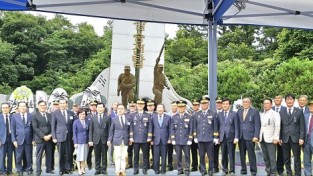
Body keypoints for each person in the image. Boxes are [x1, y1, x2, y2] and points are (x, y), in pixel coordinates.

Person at [279, 94, 305, 176]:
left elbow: (302, 126)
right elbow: (280, 126)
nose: (289, 101)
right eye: (288, 99)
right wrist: (280, 137)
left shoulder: (299, 111)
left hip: (296, 138)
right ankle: (289, 172)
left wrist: (301, 138)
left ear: (294, 101)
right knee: (286, 158)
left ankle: (297, 173)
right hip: (285, 138)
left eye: (291, 99)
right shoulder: (281, 112)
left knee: (297, 158)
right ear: (285, 101)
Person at [193, 97, 218, 176]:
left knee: (211, 156)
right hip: (200, 139)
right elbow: (195, 127)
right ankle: (203, 170)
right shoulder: (197, 114)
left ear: (208, 104)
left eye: (205, 103)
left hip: (209, 139)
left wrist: (215, 137)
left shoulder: (213, 113)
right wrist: (195, 137)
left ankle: (210, 170)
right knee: (201, 156)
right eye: (203, 103)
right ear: (200, 104)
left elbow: (215, 127)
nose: (204, 105)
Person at [237, 97, 260, 176]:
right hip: (241, 137)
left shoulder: (255, 111)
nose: (245, 103)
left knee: (251, 154)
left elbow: (257, 125)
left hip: (250, 137)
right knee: (242, 154)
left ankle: (253, 170)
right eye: (243, 102)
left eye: (247, 102)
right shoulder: (239, 111)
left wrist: (256, 136)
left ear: (250, 103)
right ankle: (243, 170)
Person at [51, 99, 75, 175]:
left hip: (69, 136)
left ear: (66, 104)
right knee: (61, 153)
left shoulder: (71, 113)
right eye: (61, 103)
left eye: (64, 103)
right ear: (59, 104)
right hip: (59, 136)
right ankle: (61, 169)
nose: (62, 105)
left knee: (69, 153)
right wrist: (54, 137)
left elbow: (74, 125)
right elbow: (53, 126)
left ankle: (68, 168)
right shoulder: (55, 113)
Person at [129, 98, 153, 175]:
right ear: (136, 105)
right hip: (135, 138)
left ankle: (145, 169)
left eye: (141, 104)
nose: (139, 106)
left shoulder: (148, 115)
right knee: (135, 155)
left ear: (144, 105)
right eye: (138, 104)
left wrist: (149, 137)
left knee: (145, 155)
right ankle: (136, 169)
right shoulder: (132, 115)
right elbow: (131, 127)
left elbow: (150, 127)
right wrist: (131, 137)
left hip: (145, 138)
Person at [171, 100, 193, 176]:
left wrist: (190, 139)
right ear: (177, 107)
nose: (181, 108)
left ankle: (187, 169)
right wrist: (173, 139)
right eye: (179, 107)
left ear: (185, 107)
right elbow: (172, 129)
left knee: (187, 156)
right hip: (177, 140)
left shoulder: (189, 116)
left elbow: (191, 129)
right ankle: (180, 169)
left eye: (182, 107)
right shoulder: (174, 117)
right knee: (178, 156)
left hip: (186, 140)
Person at [11, 101, 34, 176]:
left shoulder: (31, 116)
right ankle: (19, 169)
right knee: (18, 156)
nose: (22, 107)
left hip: (29, 139)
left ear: (26, 107)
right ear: (18, 107)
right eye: (21, 106)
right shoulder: (14, 116)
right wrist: (14, 140)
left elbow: (33, 129)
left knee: (28, 156)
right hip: (18, 139)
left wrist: (33, 139)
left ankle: (29, 169)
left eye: (24, 106)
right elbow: (12, 129)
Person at [108, 104, 131, 176]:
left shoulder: (128, 118)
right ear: (117, 110)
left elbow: (130, 129)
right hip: (117, 139)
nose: (120, 110)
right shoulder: (114, 119)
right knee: (117, 156)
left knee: (123, 156)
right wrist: (109, 139)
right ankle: (118, 170)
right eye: (119, 109)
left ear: (124, 110)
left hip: (126, 139)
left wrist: (130, 138)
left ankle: (123, 170)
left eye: (122, 108)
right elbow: (111, 130)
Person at [217, 98, 239, 175]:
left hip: (231, 137)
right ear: (222, 105)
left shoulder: (234, 114)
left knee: (231, 154)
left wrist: (236, 137)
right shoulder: (219, 114)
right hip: (222, 138)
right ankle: (225, 169)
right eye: (223, 104)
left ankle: (232, 170)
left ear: (229, 105)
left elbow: (236, 126)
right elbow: (217, 127)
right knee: (223, 154)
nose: (225, 105)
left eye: (226, 104)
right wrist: (217, 138)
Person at [259, 98, 281, 176]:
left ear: (271, 105)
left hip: (271, 139)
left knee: (272, 157)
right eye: (264, 103)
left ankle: (273, 172)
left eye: (268, 103)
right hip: (262, 138)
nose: (266, 105)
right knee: (265, 157)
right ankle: (268, 171)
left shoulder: (275, 114)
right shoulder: (261, 114)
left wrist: (276, 138)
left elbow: (277, 126)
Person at [32, 100, 54, 176]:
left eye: (44, 105)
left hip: (49, 138)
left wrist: (50, 135)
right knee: (39, 156)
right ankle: (38, 171)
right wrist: (43, 136)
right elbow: (35, 128)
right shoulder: (34, 116)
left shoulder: (50, 115)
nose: (43, 106)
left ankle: (49, 169)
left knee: (49, 154)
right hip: (40, 139)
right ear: (38, 106)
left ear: (46, 106)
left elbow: (53, 126)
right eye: (41, 105)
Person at [89, 103, 110, 175]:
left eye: (101, 107)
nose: (100, 109)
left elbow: (109, 129)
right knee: (97, 155)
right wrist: (90, 140)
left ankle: (104, 170)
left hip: (104, 140)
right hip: (95, 140)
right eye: (99, 107)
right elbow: (91, 130)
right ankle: (97, 169)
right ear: (96, 108)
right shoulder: (93, 117)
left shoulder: (107, 117)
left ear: (104, 108)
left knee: (104, 156)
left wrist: (109, 140)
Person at [151, 104, 171, 174]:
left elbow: (170, 129)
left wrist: (169, 138)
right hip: (156, 139)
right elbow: (151, 129)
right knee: (156, 156)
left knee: (164, 155)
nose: (159, 109)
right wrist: (151, 139)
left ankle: (163, 169)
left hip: (165, 139)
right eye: (158, 108)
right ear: (156, 109)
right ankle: (156, 169)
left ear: (163, 109)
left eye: (161, 108)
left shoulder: (168, 117)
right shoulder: (153, 117)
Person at [272, 95, 286, 176]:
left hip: (282, 135)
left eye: (279, 99)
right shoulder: (270, 108)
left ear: (281, 100)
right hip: (271, 135)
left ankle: (280, 169)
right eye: (276, 98)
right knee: (272, 153)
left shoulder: (285, 109)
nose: (277, 100)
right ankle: (272, 169)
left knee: (281, 153)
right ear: (274, 100)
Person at [73, 109, 90, 175]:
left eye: (83, 114)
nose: (82, 115)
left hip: (86, 141)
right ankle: (79, 169)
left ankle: (83, 168)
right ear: (78, 115)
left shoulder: (87, 121)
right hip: (79, 141)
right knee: (78, 156)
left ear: (85, 115)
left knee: (84, 155)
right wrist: (75, 142)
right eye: (80, 114)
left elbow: (88, 131)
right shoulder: (76, 122)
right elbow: (74, 133)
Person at [0, 103, 13, 175]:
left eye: (6, 107)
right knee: (2, 156)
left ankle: (9, 171)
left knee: (10, 156)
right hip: (2, 140)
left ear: (9, 108)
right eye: (3, 108)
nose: (5, 109)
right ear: (1, 109)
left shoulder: (12, 117)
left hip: (11, 139)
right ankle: (3, 171)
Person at [86, 100, 98, 169]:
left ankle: (97, 165)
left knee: (97, 152)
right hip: (89, 137)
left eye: (95, 106)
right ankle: (89, 164)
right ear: (90, 107)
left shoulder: (99, 115)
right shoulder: (87, 116)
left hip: (97, 137)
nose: (93, 107)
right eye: (92, 106)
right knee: (89, 152)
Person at [167, 101, 178, 171]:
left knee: (178, 152)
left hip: (178, 137)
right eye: (172, 106)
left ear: (177, 106)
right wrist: (169, 138)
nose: (173, 107)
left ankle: (178, 165)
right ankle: (170, 165)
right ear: (170, 107)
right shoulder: (167, 115)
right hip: (169, 137)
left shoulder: (179, 114)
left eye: (175, 106)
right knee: (169, 152)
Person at [125, 101, 136, 169]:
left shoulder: (138, 114)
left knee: (137, 150)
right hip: (129, 136)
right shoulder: (126, 115)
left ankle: (137, 163)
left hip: (138, 135)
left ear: (136, 107)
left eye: (133, 106)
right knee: (129, 150)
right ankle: (129, 163)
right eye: (131, 106)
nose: (132, 107)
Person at [304, 100, 313, 176]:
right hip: (306, 141)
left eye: (312, 105)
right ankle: (308, 174)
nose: (311, 107)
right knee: (306, 160)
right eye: (310, 105)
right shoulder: (305, 116)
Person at [190, 99, 200, 172]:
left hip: (200, 136)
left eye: (196, 105)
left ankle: (201, 165)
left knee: (201, 152)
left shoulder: (200, 113)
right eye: (194, 105)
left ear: (199, 106)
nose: (195, 106)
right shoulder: (190, 114)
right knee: (193, 152)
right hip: (192, 136)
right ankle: (194, 165)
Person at [214, 97, 223, 173]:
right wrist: (215, 137)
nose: (219, 104)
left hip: (224, 136)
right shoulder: (213, 112)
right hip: (214, 137)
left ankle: (225, 168)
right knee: (214, 153)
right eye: (217, 103)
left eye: (220, 103)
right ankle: (215, 168)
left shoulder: (225, 112)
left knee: (225, 153)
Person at [146, 99, 156, 169]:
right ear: (146, 107)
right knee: (146, 151)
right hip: (145, 136)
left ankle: (154, 164)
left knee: (154, 151)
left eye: (151, 105)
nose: (150, 107)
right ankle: (147, 165)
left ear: (154, 107)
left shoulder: (157, 114)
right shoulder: (144, 114)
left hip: (155, 136)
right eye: (148, 105)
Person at [108, 102, 118, 168]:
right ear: (112, 106)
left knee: (118, 148)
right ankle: (111, 162)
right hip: (111, 133)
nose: (115, 106)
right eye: (114, 104)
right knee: (111, 149)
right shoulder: (109, 113)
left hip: (118, 134)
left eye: (117, 105)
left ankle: (117, 161)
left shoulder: (121, 112)